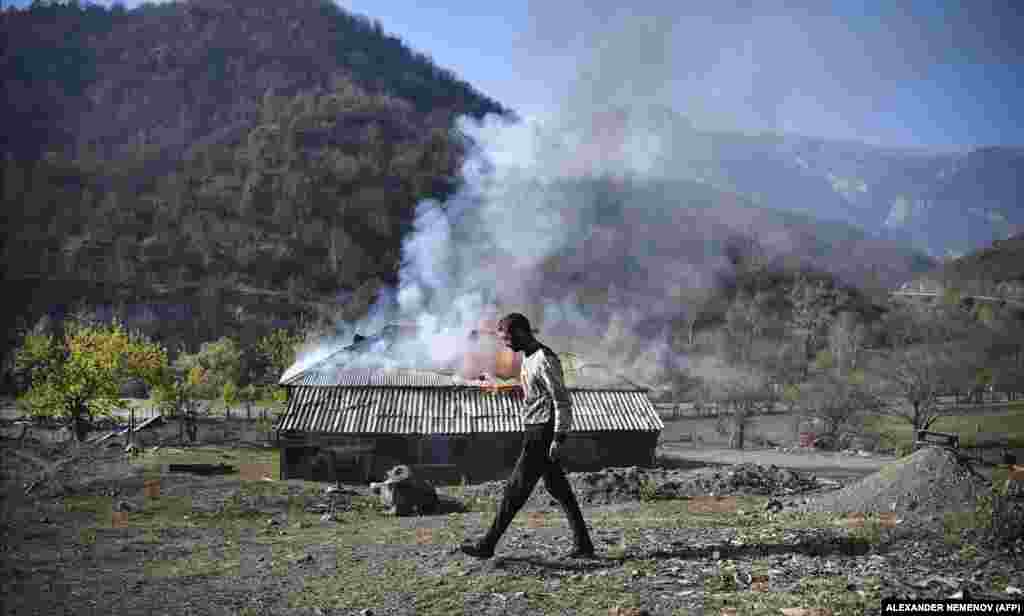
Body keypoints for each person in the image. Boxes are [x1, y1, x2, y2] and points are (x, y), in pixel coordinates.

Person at [459, 313, 595, 559]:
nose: (506, 344)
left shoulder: (545, 359)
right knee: (559, 488)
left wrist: (558, 438)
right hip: (534, 426)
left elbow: (561, 400)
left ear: (521, 333)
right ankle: (583, 544)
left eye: (508, 339)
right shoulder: (528, 359)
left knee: (514, 490)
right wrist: (501, 385)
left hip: (543, 431)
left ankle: (487, 545)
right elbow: (534, 392)